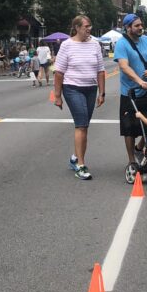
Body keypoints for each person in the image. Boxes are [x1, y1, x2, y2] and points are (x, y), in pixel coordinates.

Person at [53, 15, 106, 181]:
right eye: (86, 26)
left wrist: (102, 93)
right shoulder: (67, 46)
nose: (89, 29)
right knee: (81, 125)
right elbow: (59, 73)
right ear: (77, 28)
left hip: (91, 88)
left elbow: (100, 70)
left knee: (85, 126)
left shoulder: (95, 45)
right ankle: (81, 166)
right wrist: (57, 96)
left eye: (90, 26)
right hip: (72, 88)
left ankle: (75, 157)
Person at [114, 13, 147, 165]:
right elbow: (124, 66)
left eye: (141, 25)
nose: (141, 28)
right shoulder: (122, 44)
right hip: (130, 93)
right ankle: (132, 161)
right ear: (128, 28)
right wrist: (139, 81)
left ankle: (140, 148)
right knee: (130, 129)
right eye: (137, 26)